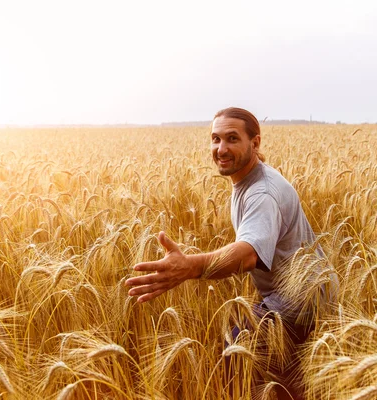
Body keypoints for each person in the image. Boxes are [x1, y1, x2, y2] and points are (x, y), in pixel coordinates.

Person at [124, 107, 338, 398]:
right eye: (215, 139)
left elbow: (249, 253)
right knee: (289, 378)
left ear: (255, 143)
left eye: (232, 139)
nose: (221, 149)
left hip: (302, 297)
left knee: (239, 346)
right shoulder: (248, 181)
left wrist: (190, 266)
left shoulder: (262, 192)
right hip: (307, 291)